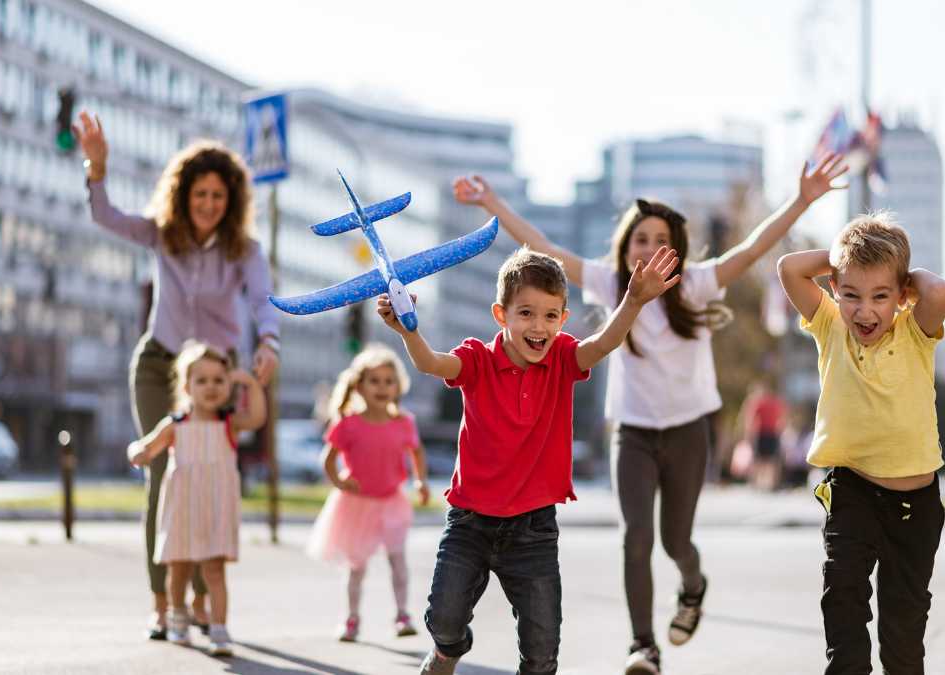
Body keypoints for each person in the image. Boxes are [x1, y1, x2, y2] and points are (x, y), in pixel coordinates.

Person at [452, 152, 847, 673]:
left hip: (687, 431)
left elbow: (753, 248)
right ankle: (643, 645)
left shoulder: (696, 284)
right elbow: (545, 249)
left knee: (675, 540)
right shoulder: (610, 284)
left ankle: (692, 584)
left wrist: (802, 199)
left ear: (676, 250)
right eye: (640, 238)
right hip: (633, 432)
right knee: (635, 538)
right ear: (625, 247)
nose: (650, 247)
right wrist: (491, 202)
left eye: (661, 239)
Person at [379, 246, 679, 674]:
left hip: (532, 530)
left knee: (542, 651)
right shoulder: (477, 359)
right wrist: (407, 330)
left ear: (563, 319)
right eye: (526, 313)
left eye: (550, 315)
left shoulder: (562, 358)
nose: (539, 326)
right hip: (470, 522)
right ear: (501, 315)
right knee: (443, 619)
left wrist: (632, 301)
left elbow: (603, 344)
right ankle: (447, 651)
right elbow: (430, 363)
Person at [73, 112, 281, 640]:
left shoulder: (245, 249)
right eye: (199, 194)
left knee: (212, 479)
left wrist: (269, 343)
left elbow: (263, 300)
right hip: (159, 363)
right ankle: (163, 602)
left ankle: (204, 600)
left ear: (231, 200)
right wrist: (97, 168)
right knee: (164, 477)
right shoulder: (161, 233)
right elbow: (107, 217)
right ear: (183, 196)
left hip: (216, 374)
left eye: (218, 196)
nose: (208, 204)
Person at [777, 212, 945, 674]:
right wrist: (840, 257)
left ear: (901, 295)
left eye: (880, 295)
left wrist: (905, 277)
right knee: (842, 594)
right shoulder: (829, 325)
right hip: (851, 489)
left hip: (915, 506)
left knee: (902, 631)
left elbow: (940, 294)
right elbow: (789, 268)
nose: (865, 310)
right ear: (835, 288)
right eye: (852, 294)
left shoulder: (915, 331)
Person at [127, 341, 267, 657]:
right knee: (179, 569)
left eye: (218, 380)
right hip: (183, 508)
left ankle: (219, 628)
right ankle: (177, 617)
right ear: (186, 386)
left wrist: (250, 382)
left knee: (214, 570)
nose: (211, 387)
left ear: (228, 384)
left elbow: (258, 417)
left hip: (215, 510)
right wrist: (138, 452)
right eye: (201, 380)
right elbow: (146, 446)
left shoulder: (229, 423)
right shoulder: (175, 424)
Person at [306, 344, 430, 643]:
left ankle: (402, 615)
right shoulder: (348, 424)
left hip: (391, 501)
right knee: (356, 567)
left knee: (397, 560)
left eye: (389, 381)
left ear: (398, 387)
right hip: (356, 504)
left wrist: (421, 482)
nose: (382, 387)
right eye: (374, 381)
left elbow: (416, 452)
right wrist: (339, 482)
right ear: (359, 386)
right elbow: (328, 459)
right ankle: (351, 619)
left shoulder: (404, 422)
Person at [739, 380, 788, 491]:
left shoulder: (760, 402)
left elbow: (750, 420)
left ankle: (760, 483)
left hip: (766, 433)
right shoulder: (774, 402)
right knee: (767, 459)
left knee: (763, 459)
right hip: (768, 433)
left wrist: (748, 435)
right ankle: (766, 483)